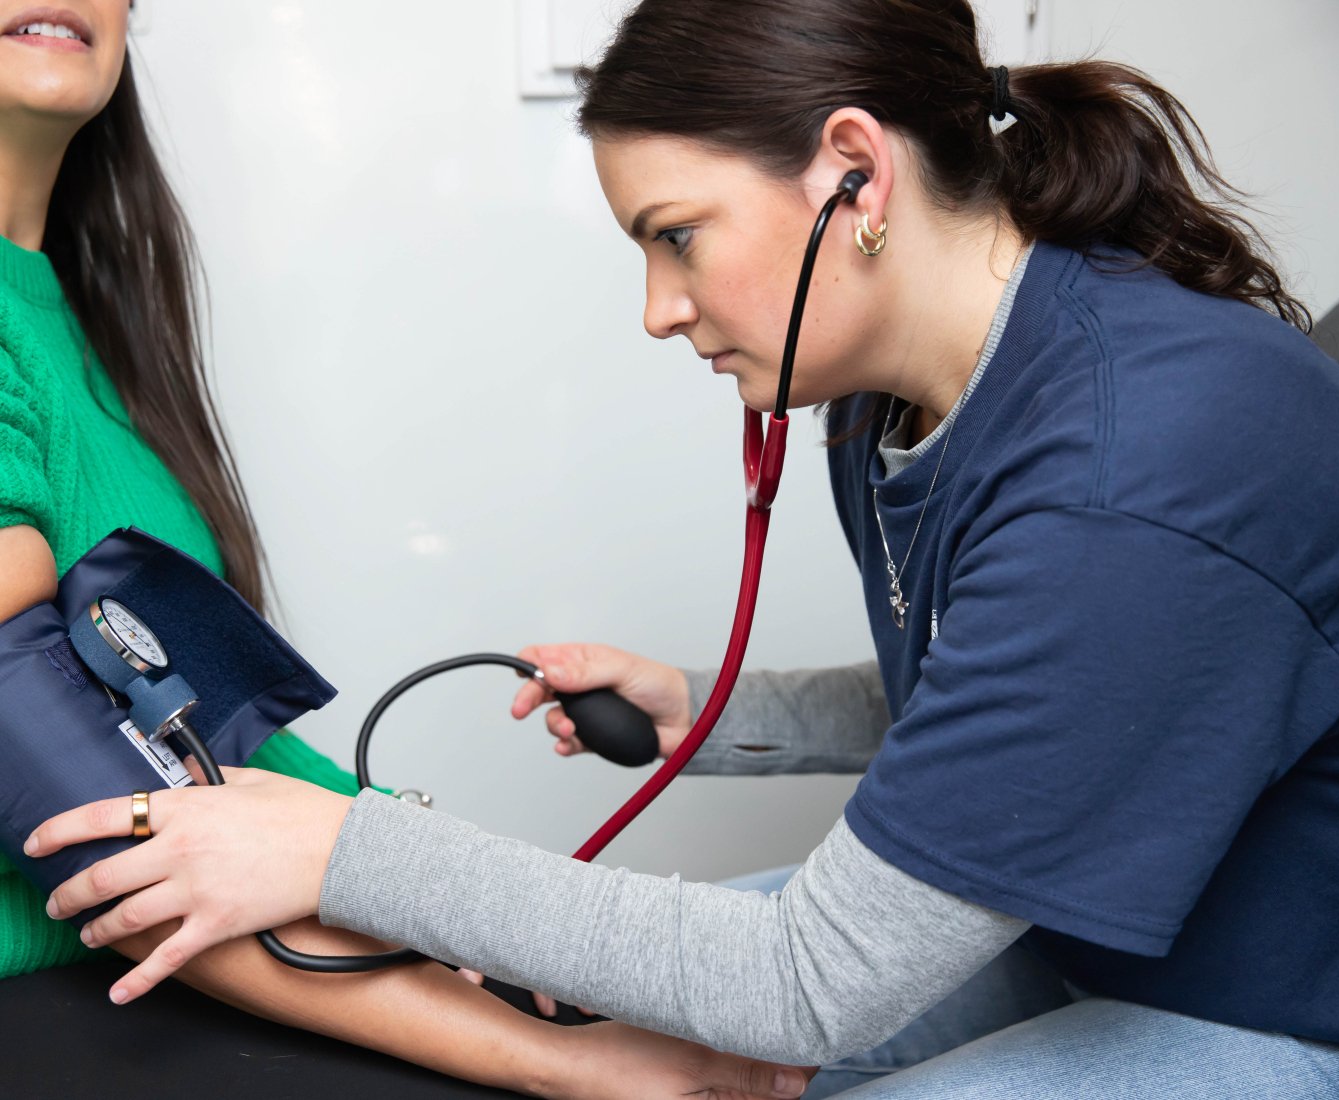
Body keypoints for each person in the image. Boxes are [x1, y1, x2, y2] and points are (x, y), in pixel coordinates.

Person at [27, 0, 1339, 1096]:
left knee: (738, 1028)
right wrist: (722, 714)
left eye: (678, 238)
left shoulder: (1140, 464)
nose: (658, 309)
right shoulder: (905, 390)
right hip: (1087, 925)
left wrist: (341, 849)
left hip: (1305, 1000)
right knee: (631, 1021)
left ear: (854, 175)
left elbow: (810, 982)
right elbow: (1052, 695)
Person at [0, 3, 811, 1096]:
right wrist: (573, 1060)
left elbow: (202, 754)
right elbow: (77, 799)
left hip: (159, 964)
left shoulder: (81, 311)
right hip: (66, 978)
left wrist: (471, 915)